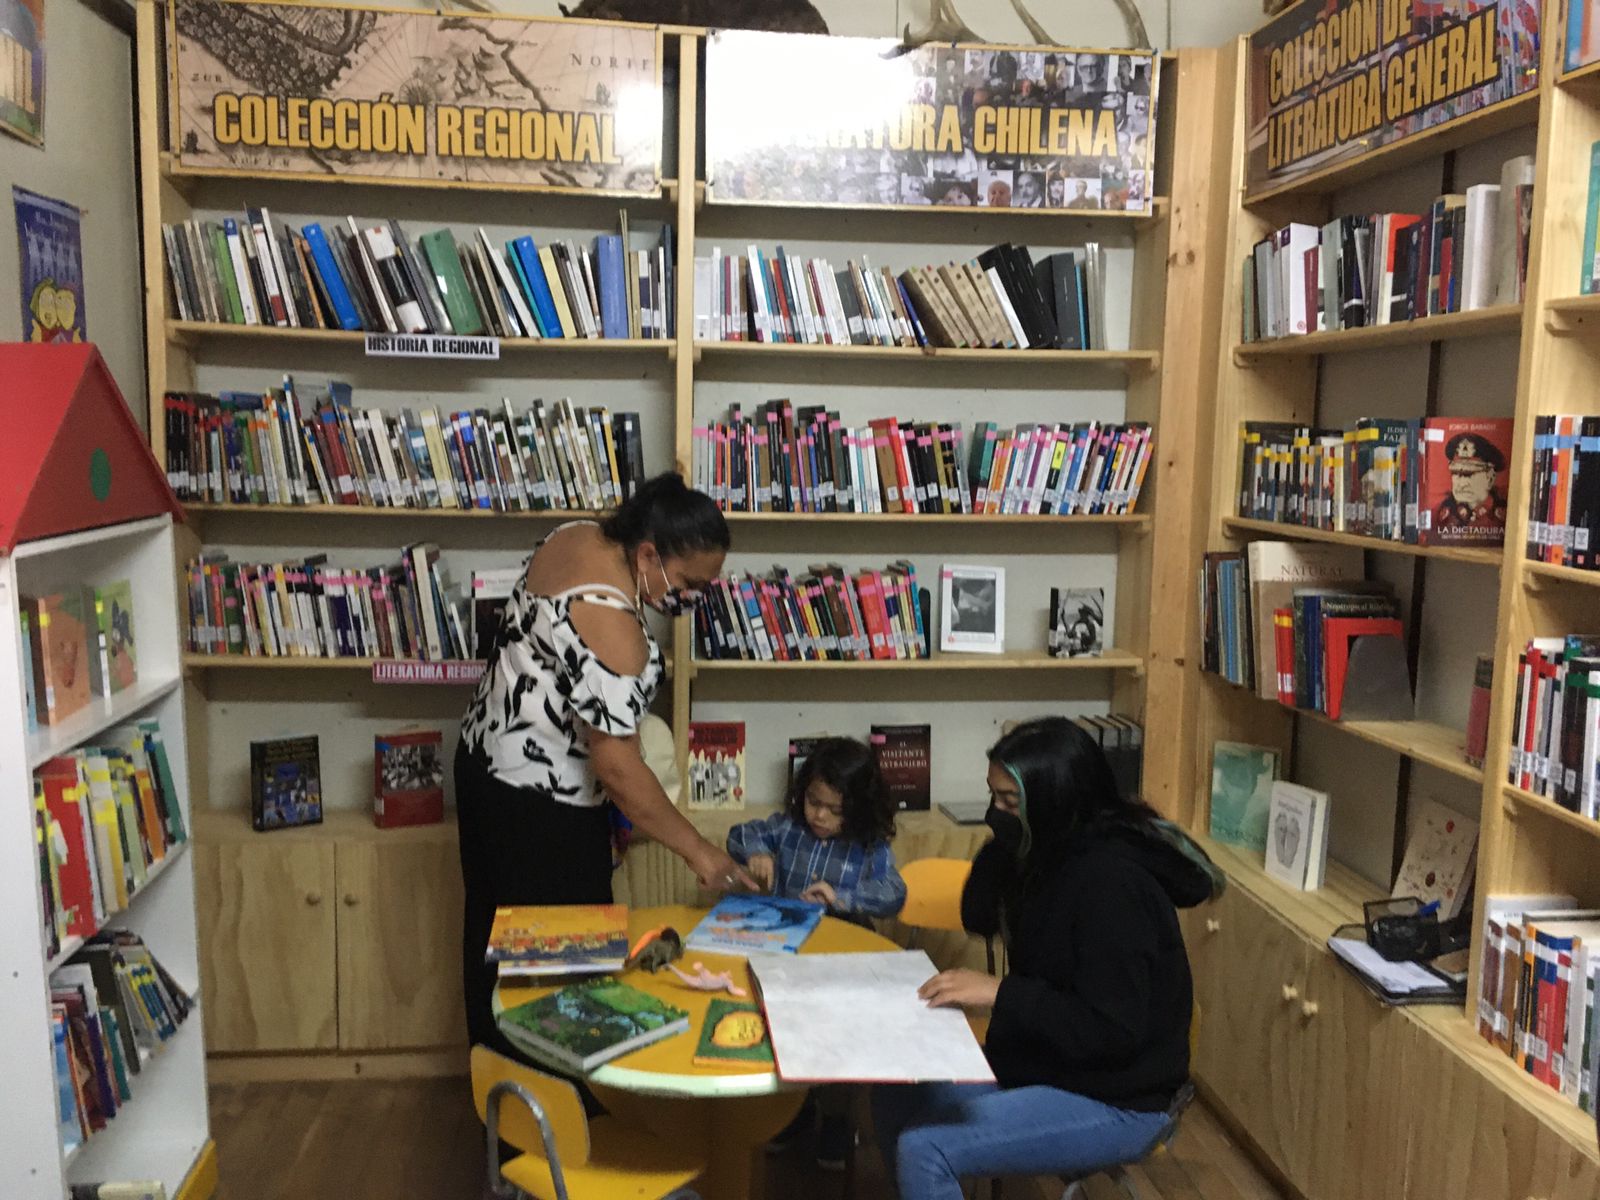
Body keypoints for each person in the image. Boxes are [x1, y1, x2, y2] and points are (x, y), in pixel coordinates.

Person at [455, 472, 756, 1058]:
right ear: (647, 554)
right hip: (545, 809)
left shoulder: (576, 536)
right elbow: (617, 768)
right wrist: (698, 850)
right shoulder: (616, 631)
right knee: (563, 972)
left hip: (484, 767)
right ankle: (563, 1098)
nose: (694, 599)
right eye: (690, 584)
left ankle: (498, 1091)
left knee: (495, 942)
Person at [872, 717, 1219, 1200]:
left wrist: (1001, 993)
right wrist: (1004, 846)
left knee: (925, 1149)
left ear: (1054, 803)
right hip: (1044, 1065)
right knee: (893, 1079)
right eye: (992, 796)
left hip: (1121, 1097)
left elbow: (1111, 1030)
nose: (994, 813)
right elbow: (978, 915)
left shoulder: (1113, 887)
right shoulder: (1047, 853)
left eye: (1009, 802)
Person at [727, 737, 907, 1170]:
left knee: (836, 1044)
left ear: (858, 808)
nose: (820, 816)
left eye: (834, 809)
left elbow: (893, 894)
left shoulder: (869, 846)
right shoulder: (788, 829)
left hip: (841, 966)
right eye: (813, 802)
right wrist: (757, 852)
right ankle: (798, 1111)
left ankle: (837, 1119)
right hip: (788, 958)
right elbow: (739, 834)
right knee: (787, 1036)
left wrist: (843, 896)